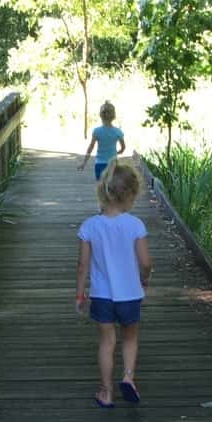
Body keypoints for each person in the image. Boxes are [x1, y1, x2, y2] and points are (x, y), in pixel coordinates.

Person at [75, 162, 152, 408]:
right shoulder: (135, 225)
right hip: (129, 295)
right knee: (130, 338)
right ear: (130, 195)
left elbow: (82, 266)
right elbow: (146, 262)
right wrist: (144, 278)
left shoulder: (89, 226)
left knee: (106, 343)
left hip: (102, 296)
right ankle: (128, 378)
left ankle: (106, 392)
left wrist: (79, 295)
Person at [79, 100, 126, 180]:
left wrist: (84, 163)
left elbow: (90, 148)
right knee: (112, 188)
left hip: (99, 164)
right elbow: (123, 148)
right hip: (113, 165)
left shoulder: (97, 131)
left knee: (101, 189)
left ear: (101, 115)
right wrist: (117, 152)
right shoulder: (118, 132)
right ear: (113, 116)